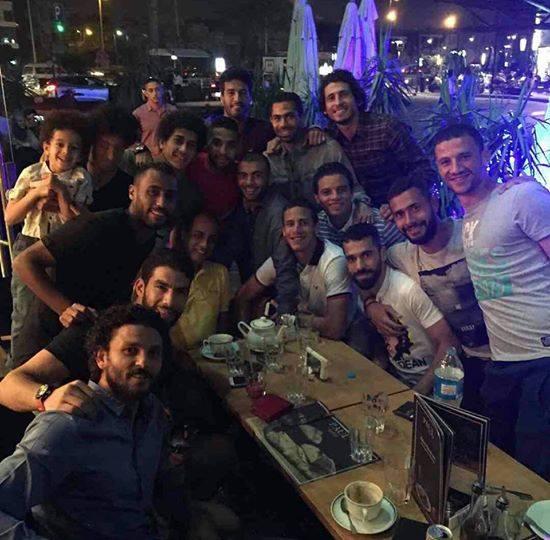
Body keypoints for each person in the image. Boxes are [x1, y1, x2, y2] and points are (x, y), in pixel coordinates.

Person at [0, 304, 185, 540]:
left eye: (153, 353)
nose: (143, 362)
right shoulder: (67, 426)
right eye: (130, 351)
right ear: (101, 357)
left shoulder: (152, 414)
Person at [433, 123, 550, 478]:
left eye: (464, 156)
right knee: (501, 463)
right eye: (445, 161)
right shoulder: (467, 220)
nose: (455, 168)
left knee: (535, 472)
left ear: (484, 155)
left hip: (541, 359)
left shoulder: (521, 197)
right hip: (503, 360)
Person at [10, 163, 179, 368]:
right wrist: (65, 309)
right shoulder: (98, 225)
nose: (161, 202)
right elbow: (24, 261)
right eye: (153, 192)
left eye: (169, 196)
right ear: (132, 192)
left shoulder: (150, 242)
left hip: (85, 350)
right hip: (43, 345)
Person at [0, 248, 193, 415]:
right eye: (161, 287)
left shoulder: (165, 344)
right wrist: (48, 397)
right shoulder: (98, 328)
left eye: (180, 292)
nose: (169, 301)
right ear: (140, 287)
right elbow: (8, 386)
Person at [382, 175, 490, 413]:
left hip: (503, 355)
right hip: (460, 362)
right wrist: (371, 304)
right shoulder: (400, 255)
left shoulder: (472, 234)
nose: (409, 221)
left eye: (415, 208)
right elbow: (369, 276)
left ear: (434, 202)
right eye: (399, 214)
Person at [5, 110, 94, 367]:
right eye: (60, 144)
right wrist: (35, 194)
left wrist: (60, 193)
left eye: (74, 148)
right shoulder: (30, 173)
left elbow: (78, 224)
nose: (66, 152)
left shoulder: (81, 178)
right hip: (29, 243)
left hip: (63, 249)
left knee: (57, 310)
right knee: (24, 310)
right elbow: (10, 216)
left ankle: (49, 368)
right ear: (46, 146)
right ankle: (17, 369)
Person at [342, 223, 458, 394]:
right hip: (397, 382)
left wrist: (416, 394)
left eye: (366, 255)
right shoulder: (362, 290)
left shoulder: (406, 290)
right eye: (352, 259)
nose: (359, 266)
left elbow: (449, 344)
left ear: (382, 253)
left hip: (433, 389)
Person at [236, 199, 354, 340]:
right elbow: (243, 296)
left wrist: (291, 317)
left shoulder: (334, 260)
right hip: (304, 337)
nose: (296, 230)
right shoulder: (281, 258)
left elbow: (335, 329)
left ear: (316, 227)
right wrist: (248, 337)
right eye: (290, 224)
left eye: (303, 223)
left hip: (346, 337)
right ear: (284, 231)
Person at [320, 69, 436, 207]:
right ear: (325, 109)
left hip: (397, 211)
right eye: (331, 98)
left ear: (357, 99)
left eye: (343, 95)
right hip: (356, 212)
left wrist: (400, 202)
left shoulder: (387, 129)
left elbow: (424, 170)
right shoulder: (329, 138)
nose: (338, 102)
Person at [265, 91, 358, 204]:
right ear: (271, 120)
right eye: (277, 118)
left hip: (325, 213)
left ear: (302, 116)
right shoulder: (270, 156)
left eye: (290, 116)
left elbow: (354, 188)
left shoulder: (327, 149)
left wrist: (362, 205)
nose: (283, 124)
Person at [214, 152, 287, 283]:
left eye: (257, 176)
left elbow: (282, 263)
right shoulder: (235, 206)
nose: (249, 182)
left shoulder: (278, 211)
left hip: (271, 285)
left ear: (268, 178)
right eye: (243, 176)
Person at [171, 213, 232, 350]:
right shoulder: (166, 272)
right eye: (198, 236)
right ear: (185, 236)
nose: (204, 245)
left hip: (208, 354)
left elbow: (223, 322)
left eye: (211, 240)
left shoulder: (219, 273)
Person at [314, 161, 403, 248]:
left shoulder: (382, 223)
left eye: (342, 190)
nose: (335, 197)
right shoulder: (315, 226)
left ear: (352, 192)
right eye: (326, 192)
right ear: (317, 198)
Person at [156, 110, 206, 225]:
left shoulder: (192, 194)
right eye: (178, 141)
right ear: (162, 142)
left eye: (191, 145)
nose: (184, 149)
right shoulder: (137, 169)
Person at [87, 104, 141, 212]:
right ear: (91, 143)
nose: (111, 156)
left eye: (119, 148)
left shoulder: (129, 189)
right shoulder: (70, 178)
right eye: (104, 146)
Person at [187, 116, 240, 219]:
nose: (223, 151)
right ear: (208, 144)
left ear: (238, 147)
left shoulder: (241, 175)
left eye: (231, 145)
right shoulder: (190, 164)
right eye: (217, 143)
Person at [215, 67, 275, 154]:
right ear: (222, 98)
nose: (237, 99)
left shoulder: (265, 132)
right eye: (231, 93)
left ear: (250, 96)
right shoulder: (210, 132)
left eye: (242, 93)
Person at [132, 76, 177, 158]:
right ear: (146, 93)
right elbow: (132, 138)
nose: (155, 93)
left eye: (157, 90)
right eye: (151, 90)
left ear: (162, 91)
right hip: (148, 157)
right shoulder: (138, 113)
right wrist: (139, 151)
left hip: (169, 156)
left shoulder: (172, 111)